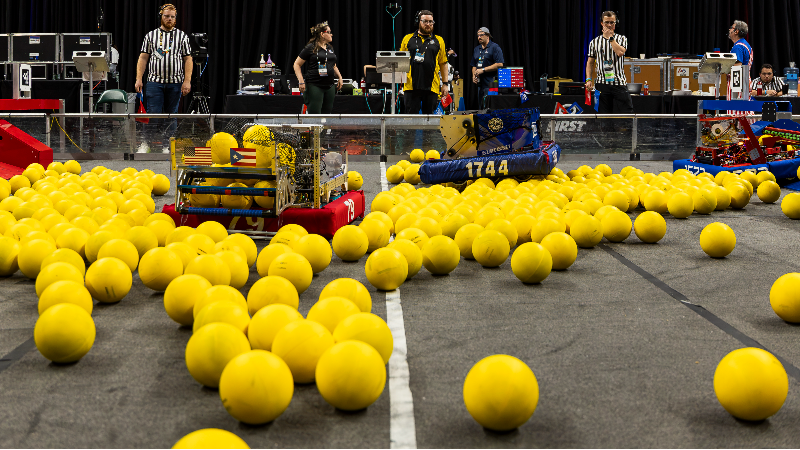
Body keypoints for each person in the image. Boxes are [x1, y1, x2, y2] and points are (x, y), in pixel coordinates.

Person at [134, 4, 192, 114]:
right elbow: (143, 58)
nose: (169, 19)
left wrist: (187, 81)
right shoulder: (150, 36)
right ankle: (153, 132)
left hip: (175, 83)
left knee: (171, 117)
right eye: (166, 16)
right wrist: (139, 79)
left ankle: (170, 132)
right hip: (154, 83)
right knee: (153, 115)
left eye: (172, 17)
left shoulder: (182, 36)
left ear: (175, 18)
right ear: (161, 16)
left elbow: (188, 59)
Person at [400, 10, 449, 114]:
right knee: (411, 120)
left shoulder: (439, 40)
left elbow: (443, 63)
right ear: (418, 22)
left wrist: (445, 84)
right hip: (410, 86)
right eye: (425, 21)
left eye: (431, 22)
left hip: (432, 87)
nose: (428, 24)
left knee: (430, 120)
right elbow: (400, 61)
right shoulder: (407, 38)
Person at [584, 11, 633, 114]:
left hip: (619, 83)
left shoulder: (622, 39)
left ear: (615, 23)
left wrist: (610, 38)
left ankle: (627, 130)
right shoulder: (594, 42)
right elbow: (590, 63)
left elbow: (620, 52)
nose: (609, 25)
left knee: (627, 113)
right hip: (602, 84)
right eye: (607, 22)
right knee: (603, 117)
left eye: (612, 22)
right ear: (602, 23)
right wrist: (588, 79)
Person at [293, 21, 343, 114]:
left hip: (330, 85)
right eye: (329, 32)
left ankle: (324, 129)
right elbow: (296, 64)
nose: (331, 34)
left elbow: (333, 65)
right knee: (314, 113)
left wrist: (340, 77)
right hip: (315, 85)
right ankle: (313, 129)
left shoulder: (330, 48)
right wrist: (301, 81)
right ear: (322, 34)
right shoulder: (311, 47)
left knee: (327, 114)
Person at [470, 27, 504, 108]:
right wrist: (473, 75)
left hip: (491, 85)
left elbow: (500, 64)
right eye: (478, 35)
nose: (479, 37)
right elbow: (474, 65)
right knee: (481, 107)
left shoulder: (495, 47)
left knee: (489, 107)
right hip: (480, 85)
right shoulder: (477, 49)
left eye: (481, 35)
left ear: (487, 36)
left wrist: (483, 70)